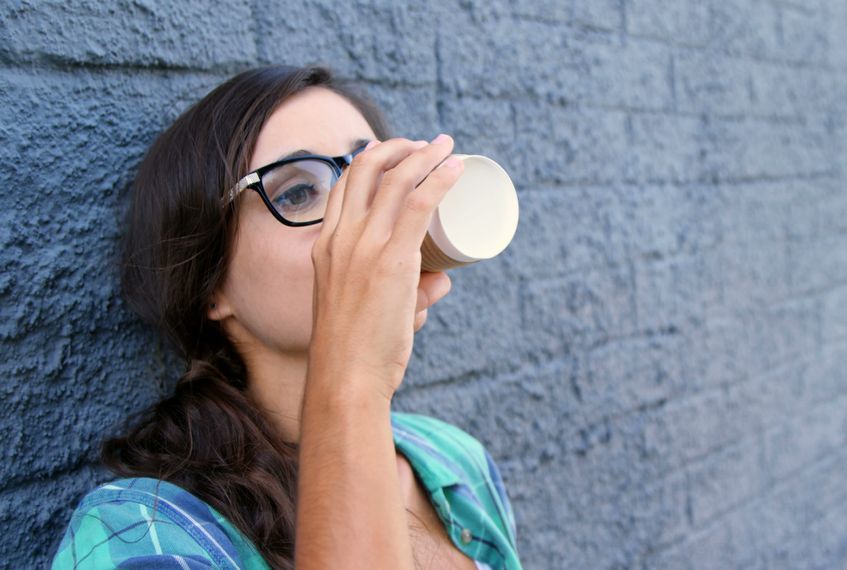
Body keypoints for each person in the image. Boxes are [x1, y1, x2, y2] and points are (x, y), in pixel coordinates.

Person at [48, 65, 521, 570]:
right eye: (298, 192)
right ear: (211, 285)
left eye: (370, 174)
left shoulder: (454, 461)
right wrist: (353, 374)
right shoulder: (141, 534)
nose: (359, 220)